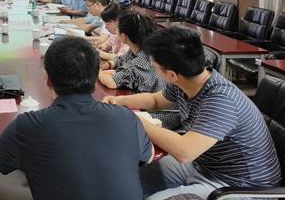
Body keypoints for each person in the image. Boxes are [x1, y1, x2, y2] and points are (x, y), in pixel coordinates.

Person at [104, 27, 281, 200]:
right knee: (129, 178)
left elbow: (184, 151)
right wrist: (120, 101)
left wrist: (137, 120)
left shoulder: (221, 99)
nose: (154, 68)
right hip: (204, 165)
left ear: (172, 74)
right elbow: (156, 100)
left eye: (155, 66)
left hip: (240, 186)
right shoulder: (187, 80)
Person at [0, 36, 154, 200]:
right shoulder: (126, 117)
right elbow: (148, 155)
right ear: (95, 79)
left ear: (48, 80)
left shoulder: (30, 125)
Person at [98, 12, 164, 94]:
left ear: (124, 36)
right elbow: (121, 58)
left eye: (118, 29)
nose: (116, 31)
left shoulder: (141, 61)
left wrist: (98, 71)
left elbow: (111, 82)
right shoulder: (139, 49)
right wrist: (109, 64)